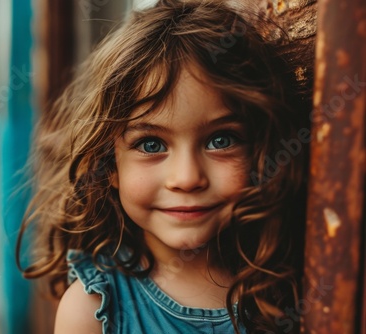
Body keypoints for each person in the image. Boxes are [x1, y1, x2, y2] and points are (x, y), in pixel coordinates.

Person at [18, 0, 307, 333]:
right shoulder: (92, 311)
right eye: (151, 145)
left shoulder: (286, 282)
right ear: (109, 164)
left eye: (221, 140)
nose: (187, 178)